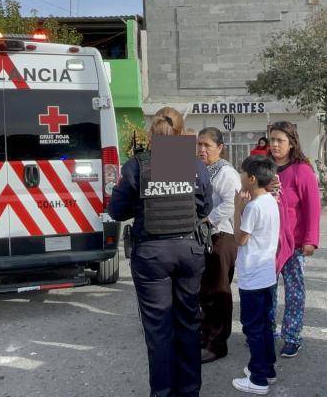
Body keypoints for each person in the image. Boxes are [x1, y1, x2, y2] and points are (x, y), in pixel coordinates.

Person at [107, 109, 213, 397]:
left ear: (151, 135)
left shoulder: (137, 165)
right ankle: (190, 391)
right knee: (188, 324)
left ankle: (163, 392)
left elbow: (116, 211)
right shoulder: (193, 164)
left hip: (152, 255)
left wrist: (141, 206)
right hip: (189, 251)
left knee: (158, 330)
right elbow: (206, 206)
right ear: (180, 133)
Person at [267, 121, 321, 358]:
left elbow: (313, 208)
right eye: (272, 140)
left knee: (294, 292)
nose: (275, 144)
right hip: (267, 244)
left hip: (294, 245)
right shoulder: (264, 167)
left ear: (291, 143)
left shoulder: (302, 170)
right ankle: (267, 332)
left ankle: (292, 337)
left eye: (280, 140)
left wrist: (310, 239)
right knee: (267, 291)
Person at [232, 155, 280, 395]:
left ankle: (258, 379)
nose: (240, 176)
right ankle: (266, 369)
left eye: (242, 173)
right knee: (264, 326)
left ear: (251, 179)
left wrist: (237, 208)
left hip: (252, 277)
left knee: (253, 328)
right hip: (267, 276)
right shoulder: (270, 201)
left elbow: (240, 239)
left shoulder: (252, 207)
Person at [196, 127, 242, 363]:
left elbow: (232, 203)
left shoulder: (226, 172)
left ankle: (217, 344)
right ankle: (206, 336)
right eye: (199, 144)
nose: (202, 149)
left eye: (207, 145)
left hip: (221, 237)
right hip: (205, 237)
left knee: (218, 292)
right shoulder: (201, 169)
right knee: (205, 292)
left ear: (220, 147)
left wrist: (208, 219)